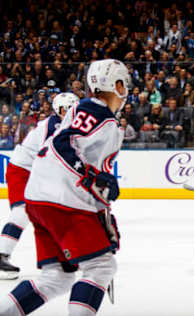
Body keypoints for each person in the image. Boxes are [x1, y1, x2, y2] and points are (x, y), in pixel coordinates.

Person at [0, 59, 129, 315]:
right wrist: (93, 177)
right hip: (61, 200)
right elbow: (64, 144)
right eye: (123, 84)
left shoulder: (87, 111)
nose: (126, 90)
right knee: (101, 267)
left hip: (41, 199)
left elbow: (79, 155)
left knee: (56, 278)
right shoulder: (96, 111)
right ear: (114, 85)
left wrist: (103, 211)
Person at [0, 92, 79, 280]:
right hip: (23, 170)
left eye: (74, 109)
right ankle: (1, 254)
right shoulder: (53, 126)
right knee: (22, 211)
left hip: (37, 171)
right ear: (59, 110)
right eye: (67, 109)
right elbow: (53, 156)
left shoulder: (68, 126)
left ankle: (63, 255)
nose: (71, 113)